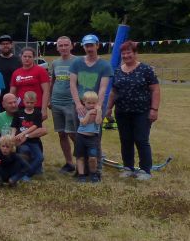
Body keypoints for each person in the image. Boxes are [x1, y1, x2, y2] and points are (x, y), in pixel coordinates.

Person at [107, 41, 159, 181]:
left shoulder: (146, 69)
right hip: (122, 112)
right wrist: (108, 108)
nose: (126, 55)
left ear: (135, 53)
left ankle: (145, 170)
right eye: (123, 53)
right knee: (125, 140)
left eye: (129, 52)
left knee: (141, 140)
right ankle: (128, 167)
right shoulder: (117, 70)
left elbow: (155, 89)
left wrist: (154, 109)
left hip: (142, 111)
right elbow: (113, 91)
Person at [48, 36, 79, 174]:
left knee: (73, 133)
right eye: (61, 45)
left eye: (66, 45)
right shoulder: (54, 63)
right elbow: (52, 82)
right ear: (57, 47)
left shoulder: (78, 61)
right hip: (56, 102)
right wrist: (49, 99)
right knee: (61, 133)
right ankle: (69, 163)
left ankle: (83, 160)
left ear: (71, 46)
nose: (64, 48)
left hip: (71, 102)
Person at [69, 34, 113, 117]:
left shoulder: (105, 65)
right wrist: (78, 104)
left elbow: (103, 88)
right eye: (86, 46)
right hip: (78, 104)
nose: (89, 49)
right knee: (75, 129)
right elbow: (72, 84)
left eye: (91, 45)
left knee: (93, 129)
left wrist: (98, 105)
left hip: (95, 104)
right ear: (83, 47)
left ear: (97, 45)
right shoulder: (76, 62)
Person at [12, 91, 48, 178]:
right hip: (21, 142)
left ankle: (27, 173)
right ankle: (22, 172)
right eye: (27, 102)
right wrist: (13, 136)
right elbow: (14, 126)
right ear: (23, 101)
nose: (29, 104)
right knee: (24, 151)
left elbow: (35, 126)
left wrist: (24, 133)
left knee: (40, 157)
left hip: (34, 141)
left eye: (31, 103)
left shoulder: (37, 113)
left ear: (35, 102)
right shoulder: (18, 113)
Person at [10, 47, 50, 120]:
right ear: (21, 57)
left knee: (34, 129)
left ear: (33, 58)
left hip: (36, 106)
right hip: (21, 106)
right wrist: (12, 106)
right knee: (21, 129)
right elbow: (12, 92)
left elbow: (46, 91)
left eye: (29, 56)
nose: (27, 58)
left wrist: (44, 109)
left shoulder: (41, 71)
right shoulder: (16, 73)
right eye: (25, 56)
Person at [75, 91, 103, 183]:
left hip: (92, 138)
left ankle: (93, 174)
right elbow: (83, 122)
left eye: (94, 103)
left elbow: (98, 122)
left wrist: (98, 112)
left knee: (93, 157)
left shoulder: (98, 111)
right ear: (84, 102)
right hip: (81, 137)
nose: (91, 105)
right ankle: (81, 175)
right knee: (80, 157)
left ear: (97, 103)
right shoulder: (82, 111)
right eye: (89, 103)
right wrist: (89, 113)